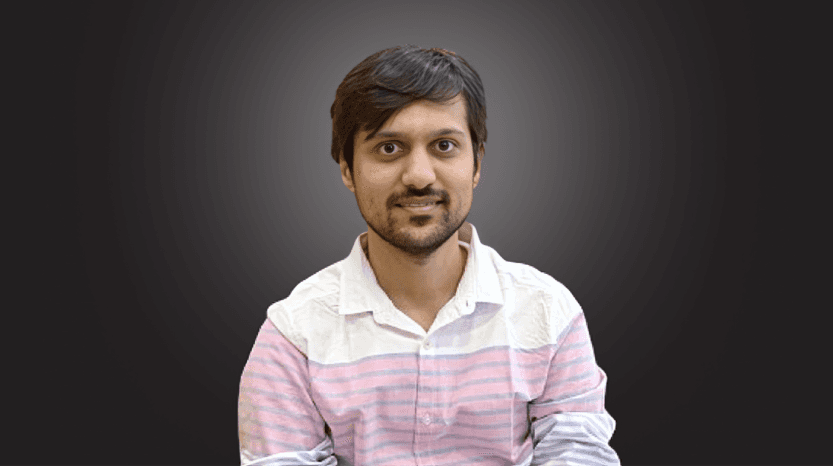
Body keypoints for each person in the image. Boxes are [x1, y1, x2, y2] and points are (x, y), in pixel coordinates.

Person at [238, 46, 620, 465]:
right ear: (347, 168)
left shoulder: (548, 312)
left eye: (444, 145)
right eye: (389, 148)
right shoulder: (294, 335)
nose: (419, 176)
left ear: (477, 164)